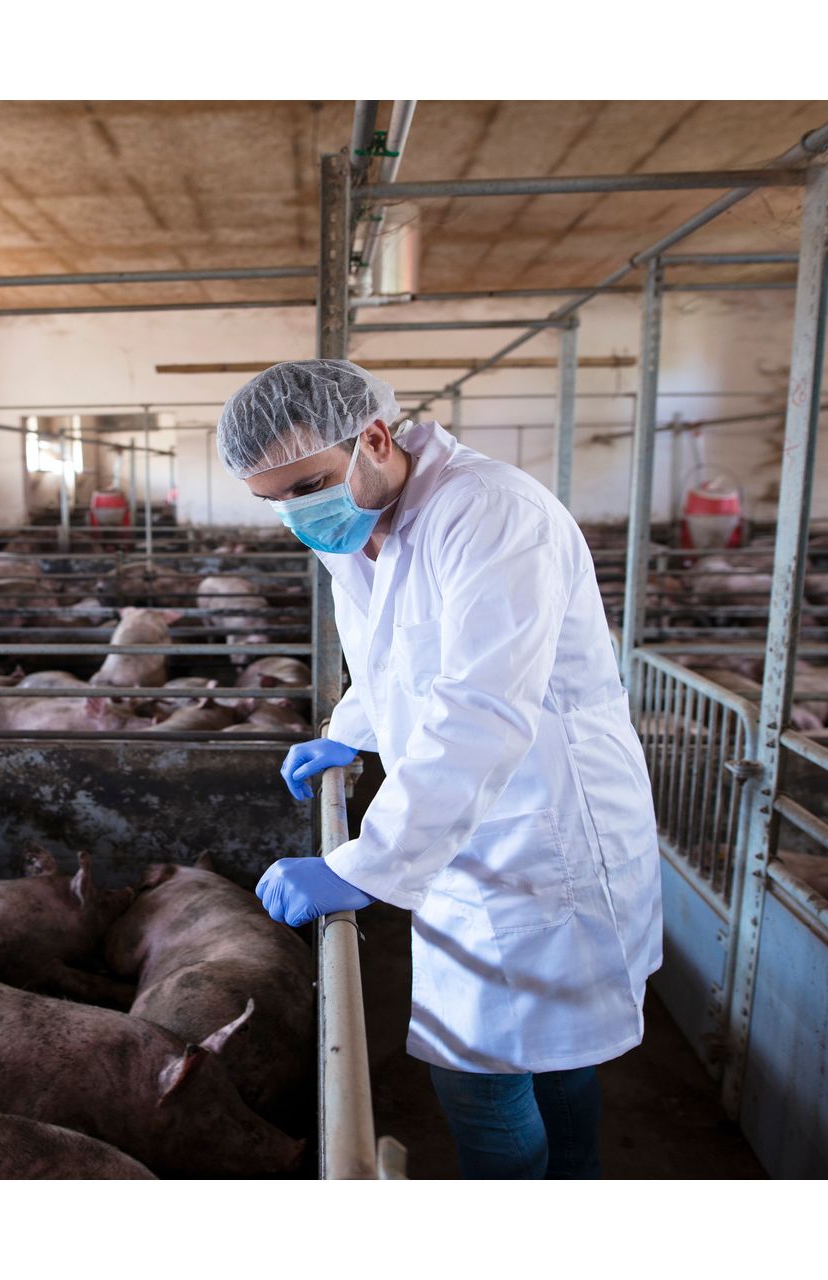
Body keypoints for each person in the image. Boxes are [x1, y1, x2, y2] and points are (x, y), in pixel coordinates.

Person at [217, 358, 661, 1180]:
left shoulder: (490, 514)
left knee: (483, 1079)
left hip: (544, 826)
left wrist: (366, 863)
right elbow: (391, 658)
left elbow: (481, 705)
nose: (295, 514)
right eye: (272, 500)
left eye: (306, 485)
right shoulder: (354, 521)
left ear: (375, 438)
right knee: (555, 1051)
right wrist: (354, 729)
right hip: (469, 818)